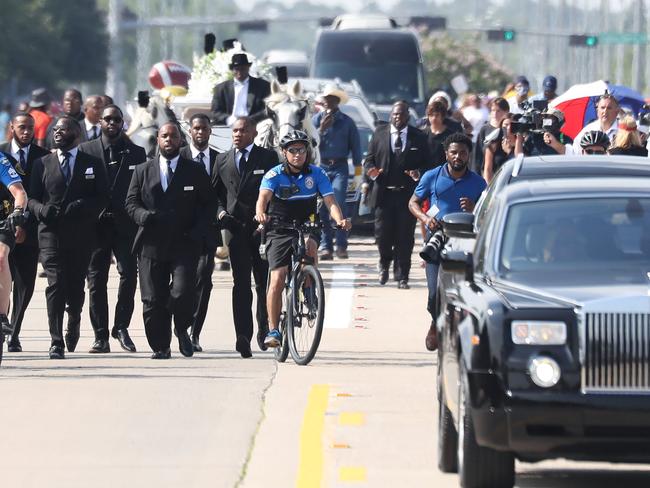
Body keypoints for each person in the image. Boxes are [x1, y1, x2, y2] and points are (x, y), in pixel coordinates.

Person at [125, 122, 214, 359]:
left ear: (180, 140)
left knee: (182, 293)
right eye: (164, 136)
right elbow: (131, 203)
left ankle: (182, 327)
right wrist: (143, 216)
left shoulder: (194, 170)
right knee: (152, 300)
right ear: (158, 139)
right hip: (151, 244)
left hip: (184, 243)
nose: (169, 140)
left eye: (173, 136)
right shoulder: (142, 170)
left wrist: (198, 231)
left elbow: (209, 205)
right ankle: (161, 346)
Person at [255, 130, 350, 348]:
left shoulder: (317, 174)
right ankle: (273, 330)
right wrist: (260, 213)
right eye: (292, 150)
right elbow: (263, 199)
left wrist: (340, 219)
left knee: (310, 248)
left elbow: (330, 201)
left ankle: (309, 288)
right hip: (279, 227)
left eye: (302, 150)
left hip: (307, 224)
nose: (298, 155)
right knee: (278, 277)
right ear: (284, 152)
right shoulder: (274, 174)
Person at [28, 116, 109, 359]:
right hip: (51, 234)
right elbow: (31, 198)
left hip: (81, 235)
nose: (57, 132)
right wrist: (41, 210)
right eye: (55, 129)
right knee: (55, 284)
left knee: (75, 287)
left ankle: (74, 317)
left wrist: (84, 205)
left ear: (76, 132)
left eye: (63, 129)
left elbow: (103, 197)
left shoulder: (92, 163)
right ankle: (55, 340)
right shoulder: (42, 163)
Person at [408, 133, 486, 351]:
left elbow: (489, 214)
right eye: (453, 152)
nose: (458, 156)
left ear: (468, 154)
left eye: (462, 152)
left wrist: (475, 209)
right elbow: (413, 203)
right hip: (437, 238)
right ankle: (435, 322)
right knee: (434, 293)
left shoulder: (479, 183)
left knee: (466, 292)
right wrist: (425, 218)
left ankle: (463, 331)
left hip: (465, 241)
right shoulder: (432, 177)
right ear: (446, 154)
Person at [78, 104, 146, 354]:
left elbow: (141, 189)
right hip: (95, 226)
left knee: (129, 274)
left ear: (122, 123)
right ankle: (100, 335)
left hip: (125, 224)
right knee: (96, 279)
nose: (112, 123)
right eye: (107, 119)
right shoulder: (86, 150)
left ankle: (121, 327)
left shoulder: (136, 153)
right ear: (100, 122)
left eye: (117, 119)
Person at [214, 116, 278, 357]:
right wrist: (220, 213)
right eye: (234, 131)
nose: (237, 135)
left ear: (252, 132)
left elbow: (275, 192)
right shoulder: (222, 159)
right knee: (240, 283)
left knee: (263, 282)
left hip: (260, 228)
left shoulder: (268, 158)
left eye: (242, 130)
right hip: (235, 229)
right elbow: (215, 195)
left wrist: (268, 219)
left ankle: (264, 329)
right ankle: (243, 335)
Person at [363, 100, 430, 289]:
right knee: (383, 236)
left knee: (405, 238)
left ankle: (403, 276)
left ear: (408, 116)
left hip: (407, 196)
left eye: (401, 114)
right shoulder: (379, 134)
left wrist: (419, 173)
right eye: (394, 114)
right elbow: (368, 160)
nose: (397, 117)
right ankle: (384, 263)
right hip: (384, 194)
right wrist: (372, 171)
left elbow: (427, 163)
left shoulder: (418, 137)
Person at [0, 112, 49, 352]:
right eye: (22, 127)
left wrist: (22, 220)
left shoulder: (42, 158)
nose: (27, 132)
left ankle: (12, 328)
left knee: (23, 282)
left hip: (22, 227)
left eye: (31, 127)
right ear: (12, 128)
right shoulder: (3, 151)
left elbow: (29, 194)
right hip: (8, 225)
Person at [179, 113, 219, 352]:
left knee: (203, 279)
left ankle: (194, 331)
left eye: (204, 128)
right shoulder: (179, 157)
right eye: (196, 128)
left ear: (210, 130)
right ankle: (180, 325)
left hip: (207, 231)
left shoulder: (220, 159)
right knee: (181, 283)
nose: (200, 132)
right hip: (179, 231)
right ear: (190, 131)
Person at [312, 84, 361, 260]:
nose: (328, 103)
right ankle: (326, 246)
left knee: (338, 201)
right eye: (326, 99)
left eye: (332, 99)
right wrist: (321, 130)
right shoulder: (316, 120)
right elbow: (310, 144)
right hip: (321, 167)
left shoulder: (347, 122)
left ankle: (341, 245)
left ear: (337, 101)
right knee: (322, 208)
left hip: (339, 167)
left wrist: (357, 174)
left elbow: (356, 149)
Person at [0, 150, 29, 359]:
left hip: (3, 219)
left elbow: (19, 192)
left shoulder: (1, 160)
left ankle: (1, 316)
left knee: (1, 257)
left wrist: (18, 211)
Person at [210, 53, 271, 126]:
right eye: (237, 69)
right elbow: (215, 112)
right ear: (232, 70)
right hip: (227, 126)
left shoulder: (263, 86)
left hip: (255, 125)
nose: (240, 72)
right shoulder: (221, 88)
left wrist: (249, 120)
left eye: (243, 68)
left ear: (248, 68)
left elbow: (267, 109)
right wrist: (229, 119)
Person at [472, 97, 509, 173]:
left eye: (499, 111)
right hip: (487, 172)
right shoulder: (485, 129)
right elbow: (478, 156)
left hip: (505, 169)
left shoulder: (509, 128)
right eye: (493, 110)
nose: (495, 113)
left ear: (506, 111)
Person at [423, 100, 460, 170]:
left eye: (437, 115)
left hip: (445, 172)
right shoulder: (423, 134)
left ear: (442, 116)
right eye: (431, 115)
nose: (434, 118)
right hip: (426, 173)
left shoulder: (451, 135)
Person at [482, 116, 515, 184]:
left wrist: (510, 151)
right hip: (497, 183)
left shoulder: (519, 143)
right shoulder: (493, 144)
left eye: (511, 125)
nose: (508, 128)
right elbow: (488, 169)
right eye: (505, 125)